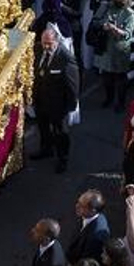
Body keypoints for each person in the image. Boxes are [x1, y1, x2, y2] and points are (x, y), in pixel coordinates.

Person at [32, 25, 80, 173]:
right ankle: (46, 149)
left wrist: (70, 107)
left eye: (49, 44)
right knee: (43, 127)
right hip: (41, 100)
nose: (46, 47)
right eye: (43, 42)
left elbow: (73, 86)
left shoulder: (66, 58)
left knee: (60, 133)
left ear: (57, 42)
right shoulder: (38, 49)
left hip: (58, 105)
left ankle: (62, 159)